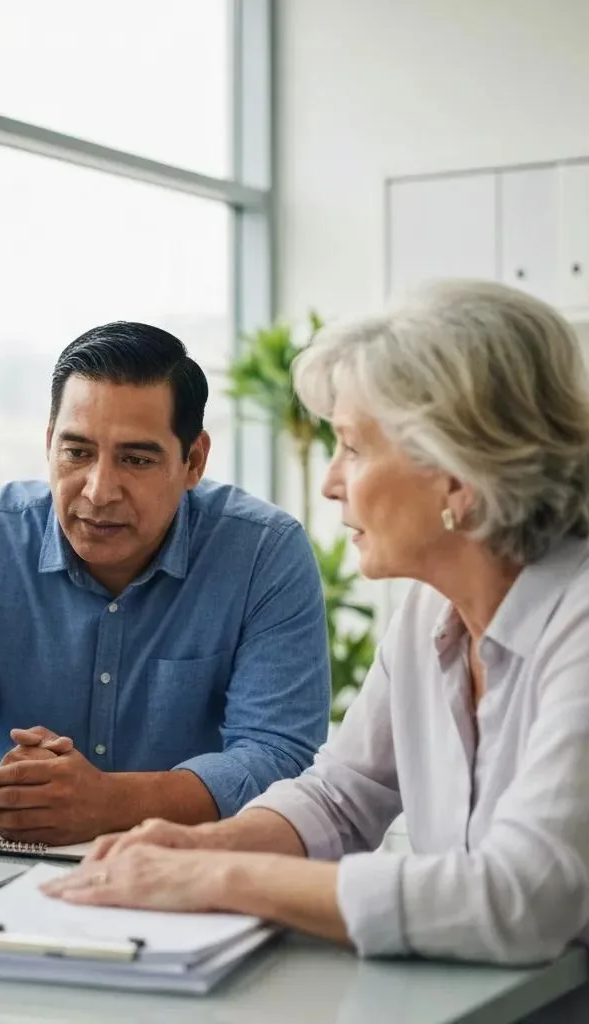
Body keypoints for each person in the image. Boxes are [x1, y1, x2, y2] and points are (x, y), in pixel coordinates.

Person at [44, 280, 589, 971]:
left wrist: (214, 879)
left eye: (354, 449)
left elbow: (523, 899)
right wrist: (207, 844)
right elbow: (339, 797)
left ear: (459, 473)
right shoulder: (430, 612)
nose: (332, 482)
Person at [0, 321, 330, 846]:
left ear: (194, 461)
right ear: (49, 444)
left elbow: (279, 755)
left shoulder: (263, 553)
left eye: (136, 459)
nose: (99, 490)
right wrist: (13, 798)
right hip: (12, 861)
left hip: (189, 868)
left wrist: (110, 803)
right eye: (77, 452)